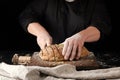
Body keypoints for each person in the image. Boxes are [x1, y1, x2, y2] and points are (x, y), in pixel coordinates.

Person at [19, 0, 112, 61]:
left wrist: (81, 36)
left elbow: (102, 26)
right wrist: (40, 33)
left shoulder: (95, 3)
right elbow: (26, 16)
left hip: (85, 60)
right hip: (50, 59)